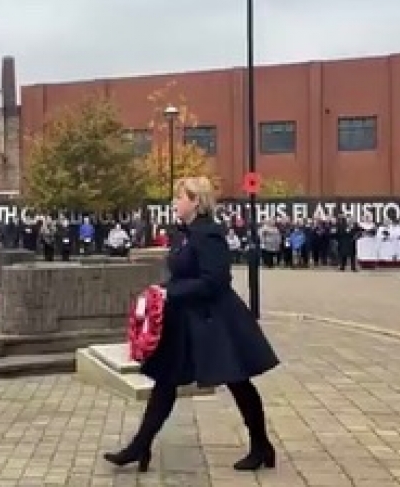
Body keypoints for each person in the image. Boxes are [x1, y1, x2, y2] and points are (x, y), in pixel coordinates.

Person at [103, 177, 280, 473]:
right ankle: (140, 446)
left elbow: (215, 281)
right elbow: (182, 275)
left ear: (196, 201)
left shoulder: (209, 234)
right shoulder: (183, 234)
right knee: (166, 381)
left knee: (237, 381)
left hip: (215, 320)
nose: (174, 203)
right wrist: (159, 290)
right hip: (185, 320)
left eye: (179, 197)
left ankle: (261, 445)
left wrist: (170, 292)